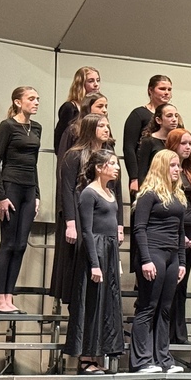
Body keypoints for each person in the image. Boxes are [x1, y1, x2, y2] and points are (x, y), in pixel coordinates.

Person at [63, 149, 124, 374]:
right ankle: (86, 358)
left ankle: (98, 353)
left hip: (109, 249)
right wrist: (95, 263)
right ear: (99, 167)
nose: (117, 168)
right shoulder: (88, 193)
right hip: (95, 250)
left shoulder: (110, 192)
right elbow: (86, 231)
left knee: (105, 304)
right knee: (91, 304)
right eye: (112, 164)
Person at [130, 149, 186, 373]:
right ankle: (142, 360)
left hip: (172, 256)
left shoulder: (178, 196)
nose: (177, 170)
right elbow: (139, 228)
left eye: (178, 166)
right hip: (152, 253)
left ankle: (163, 358)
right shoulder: (148, 194)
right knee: (148, 306)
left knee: (165, 308)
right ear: (162, 166)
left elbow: (181, 232)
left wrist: (181, 261)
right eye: (173, 165)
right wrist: (145, 259)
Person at [0, 86, 42, 314]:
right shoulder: (8, 126)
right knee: (8, 243)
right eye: (31, 99)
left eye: (37, 99)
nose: (36, 102)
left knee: (21, 245)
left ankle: (9, 297)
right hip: (11, 186)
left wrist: (37, 194)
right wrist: (1, 196)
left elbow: (34, 163)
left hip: (29, 190)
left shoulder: (37, 127)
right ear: (18, 102)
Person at [51, 114, 113, 304]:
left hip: (100, 216)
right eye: (101, 125)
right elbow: (67, 189)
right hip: (78, 215)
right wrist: (70, 222)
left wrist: (118, 225)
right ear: (89, 128)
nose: (106, 129)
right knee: (78, 259)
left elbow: (114, 190)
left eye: (107, 125)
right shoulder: (74, 154)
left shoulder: (108, 156)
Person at [164, 127, 191, 344]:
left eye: (190, 144)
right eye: (183, 143)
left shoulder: (189, 171)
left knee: (182, 286)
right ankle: (167, 332)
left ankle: (179, 332)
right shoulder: (167, 170)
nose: (187, 147)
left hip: (190, 231)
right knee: (171, 285)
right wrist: (180, 235)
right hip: (174, 232)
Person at [123, 75, 172, 201]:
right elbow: (129, 148)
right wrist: (134, 178)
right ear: (150, 90)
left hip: (166, 173)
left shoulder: (172, 117)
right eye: (162, 89)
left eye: (169, 89)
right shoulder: (138, 114)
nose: (166, 93)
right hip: (144, 172)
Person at [53, 66, 100, 153]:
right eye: (91, 81)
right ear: (81, 84)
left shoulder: (96, 108)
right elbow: (60, 140)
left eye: (98, 80)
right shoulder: (69, 108)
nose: (96, 84)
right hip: (73, 157)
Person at [136, 103, 179, 187]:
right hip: (154, 185)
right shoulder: (149, 141)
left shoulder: (178, 140)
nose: (174, 119)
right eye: (169, 116)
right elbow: (142, 171)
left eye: (176, 116)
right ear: (159, 120)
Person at [57, 91, 109, 157]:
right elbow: (63, 157)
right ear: (88, 108)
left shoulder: (105, 130)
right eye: (99, 106)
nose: (105, 110)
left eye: (106, 106)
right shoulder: (73, 130)